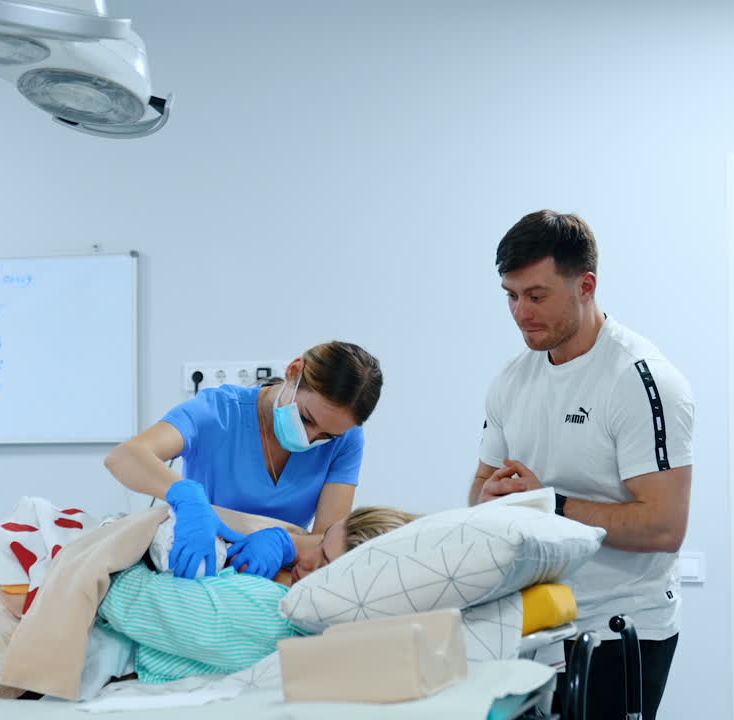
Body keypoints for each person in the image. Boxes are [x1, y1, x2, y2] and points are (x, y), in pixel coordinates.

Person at [468, 210, 694, 720]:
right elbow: (481, 486)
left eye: (537, 295)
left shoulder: (641, 380)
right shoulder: (511, 379)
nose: (521, 311)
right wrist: (490, 502)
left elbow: (663, 526)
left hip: (619, 627)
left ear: (586, 285)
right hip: (533, 623)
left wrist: (548, 503)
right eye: (511, 295)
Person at [105, 341, 383, 581]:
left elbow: (328, 540)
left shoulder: (347, 440)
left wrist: (284, 544)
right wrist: (186, 495)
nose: (309, 439)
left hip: (274, 570)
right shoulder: (217, 412)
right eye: (306, 418)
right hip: (201, 559)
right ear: (294, 370)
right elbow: (125, 457)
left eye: (327, 436)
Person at [96, 506, 418, 683]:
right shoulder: (293, 605)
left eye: (323, 563)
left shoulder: (271, 616)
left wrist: (117, 538)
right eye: (319, 544)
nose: (304, 559)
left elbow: (122, 595)